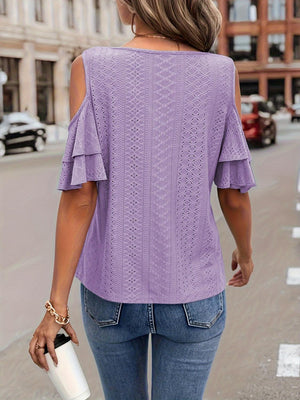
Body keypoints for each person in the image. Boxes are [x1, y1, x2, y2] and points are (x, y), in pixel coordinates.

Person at [29, 0, 256, 399]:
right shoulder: (221, 72)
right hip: (193, 293)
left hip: (110, 294)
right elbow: (233, 193)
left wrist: (56, 307)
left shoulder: (90, 66)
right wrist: (245, 251)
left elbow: (81, 197)